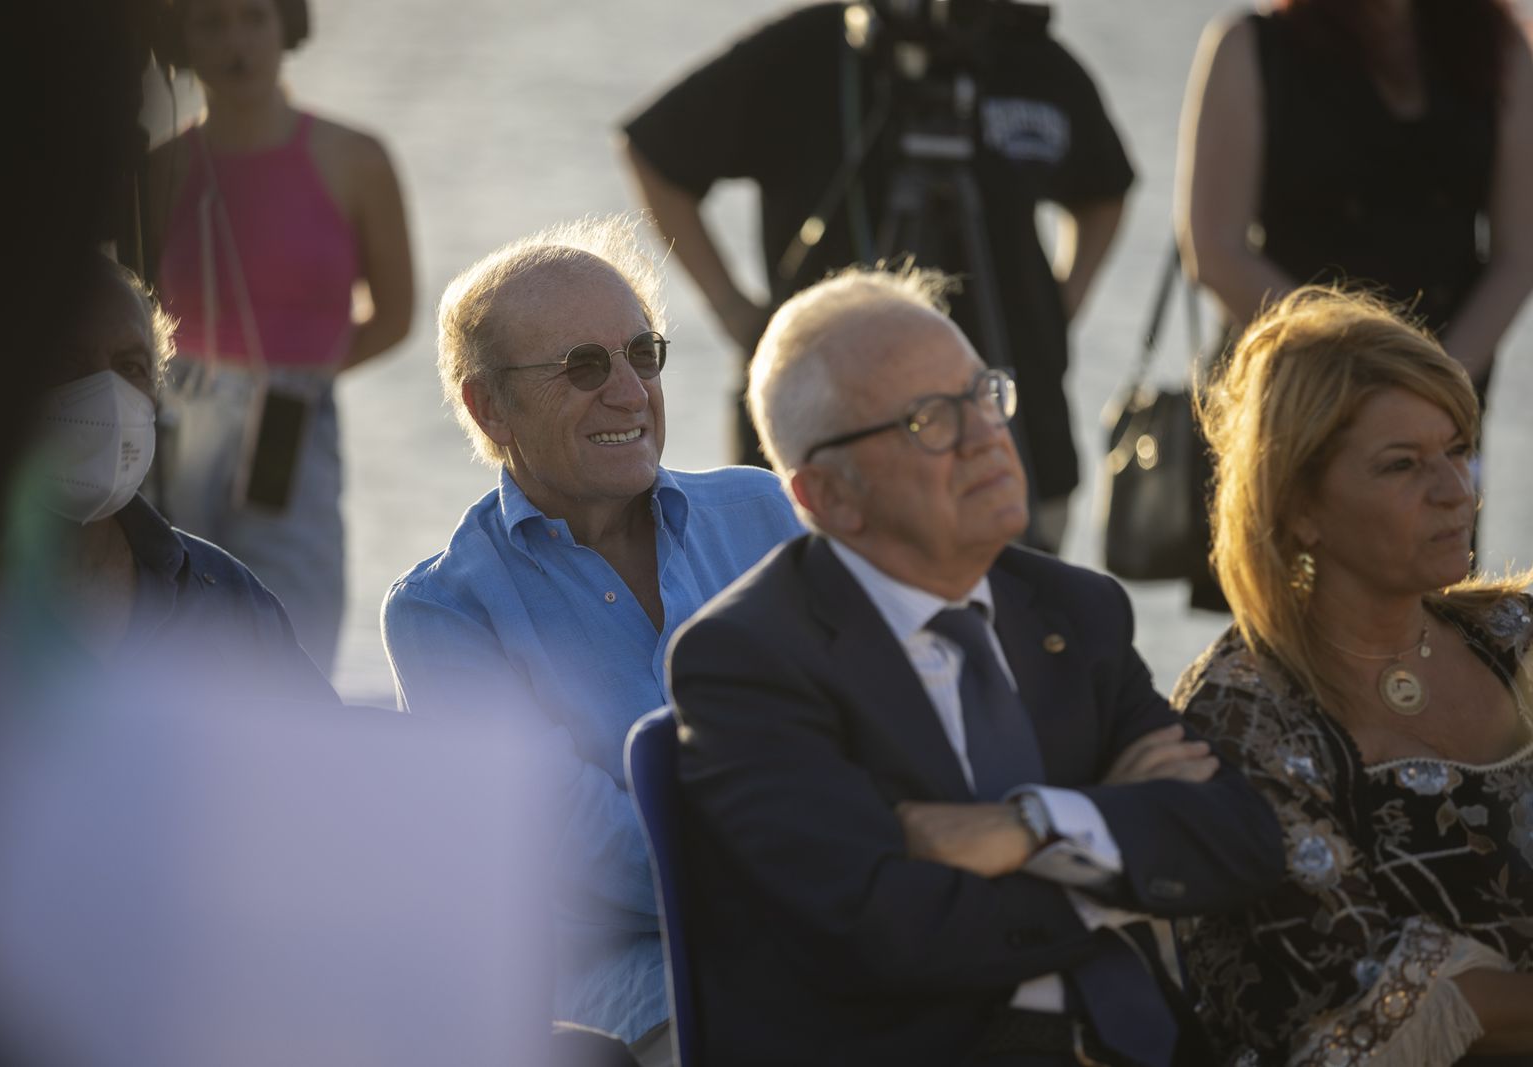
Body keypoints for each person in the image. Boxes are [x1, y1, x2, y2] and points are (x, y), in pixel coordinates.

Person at [665, 265, 1284, 1066]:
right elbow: (881, 932)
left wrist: (1035, 824)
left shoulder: (1073, 608)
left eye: (984, 394)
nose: (987, 434)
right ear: (826, 496)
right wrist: (1115, 863)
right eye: (928, 419)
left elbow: (1237, 840)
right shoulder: (749, 658)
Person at [380, 216, 804, 1063]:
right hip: (626, 986)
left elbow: (865, 728)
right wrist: (815, 874)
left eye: (643, 354)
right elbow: (579, 842)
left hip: (827, 921)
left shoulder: (763, 512)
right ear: (488, 406)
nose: (629, 391)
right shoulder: (443, 612)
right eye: (583, 366)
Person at [621, 0, 1132, 552]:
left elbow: (1104, 189)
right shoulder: (810, 49)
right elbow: (655, 151)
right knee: (799, 595)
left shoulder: (1030, 55)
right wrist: (733, 312)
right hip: (823, 423)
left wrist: (1055, 312)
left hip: (1018, 421)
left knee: (1021, 596)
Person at [1173, 286, 1533, 1064]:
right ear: (1298, 504)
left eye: (1457, 449)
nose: (1457, 491)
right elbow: (1350, 1007)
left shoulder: (1516, 636)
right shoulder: (1242, 718)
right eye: (1402, 465)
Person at [146, 0, 415, 675]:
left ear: (285, 25)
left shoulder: (355, 158)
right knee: (171, 637)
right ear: (180, 38)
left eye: (253, 17)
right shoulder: (156, 172)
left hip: (292, 422)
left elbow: (395, 314)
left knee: (295, 647)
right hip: (177, 424)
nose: (235, 40)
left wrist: (300, 378)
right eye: (210, 22)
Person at [0, 253, 333, 701]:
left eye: (130, 367)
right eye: (68, 362)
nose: (107, 395)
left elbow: (322, 735)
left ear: (155, 390)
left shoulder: (227, 596)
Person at [1176, 0, 1533, 401]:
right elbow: (1215, 252)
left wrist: (1436, 381)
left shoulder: (1500, 51)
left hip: (1442, 400)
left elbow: (1518, 256)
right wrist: (1354, 374)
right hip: (1293, 394)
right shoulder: (1250, 46)